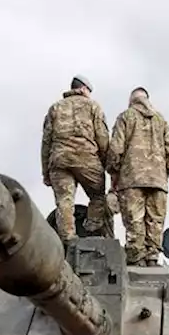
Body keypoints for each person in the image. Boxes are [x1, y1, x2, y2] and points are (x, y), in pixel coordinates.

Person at [107, 87, 169, 266]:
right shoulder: (161, 120)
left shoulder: (126, 117)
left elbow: (116, 148)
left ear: (131, 101)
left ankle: (136, 258)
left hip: (132, 178)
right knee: (155, 219)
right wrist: (165, 171)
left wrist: (113, 170)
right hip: (157, 179)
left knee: (134, 219)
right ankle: (153, 257)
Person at [41, 75, 112, 243]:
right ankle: (91, 230)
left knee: (64, 201)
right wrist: (106, 163)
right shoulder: (93, 106)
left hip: (59, 160)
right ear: (82, 89)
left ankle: (68, 239)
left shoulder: (55, 108)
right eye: (89, 90)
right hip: (87, 160)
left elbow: (46, 142)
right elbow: (102, 137)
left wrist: (46, 171)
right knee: (97, 197)